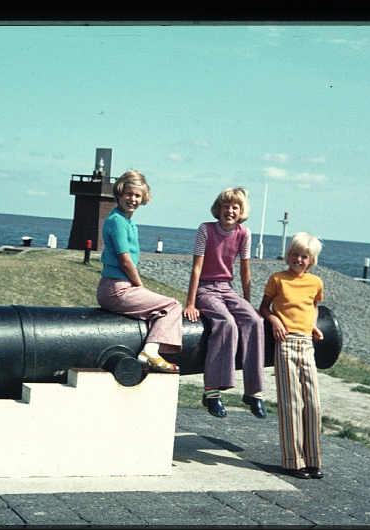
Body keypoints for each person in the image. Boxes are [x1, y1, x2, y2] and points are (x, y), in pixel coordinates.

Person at [184, 188, 266, 419]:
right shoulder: (206, 230)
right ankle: (213, 391)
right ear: (218, 209)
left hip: (227, 289)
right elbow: (197, 268)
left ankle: (254, 392)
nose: (230, 211)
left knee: (254, 321)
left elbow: (245, 271)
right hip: (206, 289)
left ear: (241, 212)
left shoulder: (244, 234)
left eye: (235, 207)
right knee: (226, 323)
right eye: (226, 206)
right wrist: (191, 302)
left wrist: (248, 304)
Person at [96, 170, 182, 373]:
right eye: (129, 194)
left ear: (143, 198)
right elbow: (125, 261)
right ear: (119, 193)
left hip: (116, 286)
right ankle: (150, 352)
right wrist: (140, 285)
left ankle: (151, 349)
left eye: (137, 195)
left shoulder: (126, 221)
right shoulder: (117, 221)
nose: (133, 199)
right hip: (117, 288)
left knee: (161, 307)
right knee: (172, 304)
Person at [259, 231, 325, 480]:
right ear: (288, 255)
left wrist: (313, 326)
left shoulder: (316, 283)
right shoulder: (277, 279)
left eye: (304, 256)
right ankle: (292, 460)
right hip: (285, 342)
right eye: (294, 254)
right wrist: (274, 319)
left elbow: (313, 307)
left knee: (313, 402)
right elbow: (264, 307)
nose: (298, 259)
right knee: (292, 403)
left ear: (311, 260)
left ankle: (313, 459)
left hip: (306, 343)